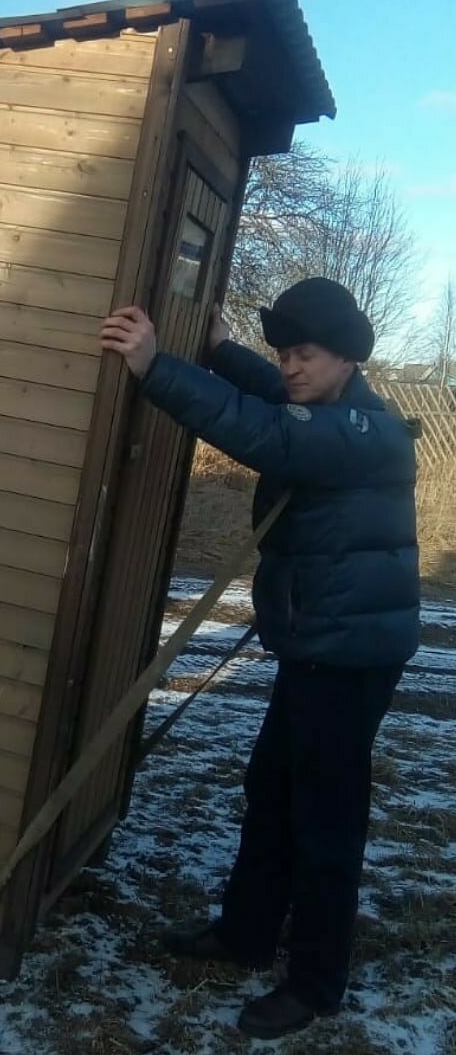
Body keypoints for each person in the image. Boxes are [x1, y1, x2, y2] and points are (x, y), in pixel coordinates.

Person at [100, 277, 419, 1040]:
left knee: (325, 820)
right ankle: (245, 934)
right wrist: (217, 352)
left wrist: (157, 367)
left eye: (303, 354)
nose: (291, 367)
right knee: (271, 790)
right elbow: (271, 397)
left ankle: (315, 983)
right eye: (283, 353)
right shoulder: (329, 408)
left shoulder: (365, 431)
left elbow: (270, 435)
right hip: (317, 649)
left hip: (349, 659)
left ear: (345, 357)